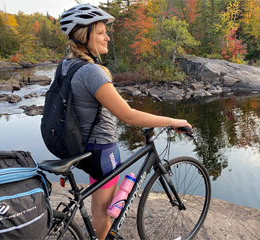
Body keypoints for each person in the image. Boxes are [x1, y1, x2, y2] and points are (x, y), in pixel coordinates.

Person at [59, 4, 192, 239]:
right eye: (100, 32)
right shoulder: (92, 72)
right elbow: (128, 115)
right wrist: (172, 120)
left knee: (100, 201)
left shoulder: (66, 65)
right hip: (101, 149)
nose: (107, 37)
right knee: (102, 209)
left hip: (79, 145)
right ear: (84, 36)